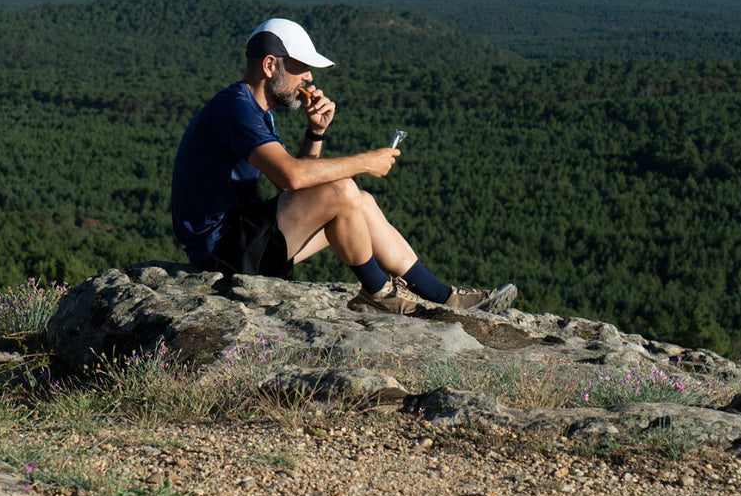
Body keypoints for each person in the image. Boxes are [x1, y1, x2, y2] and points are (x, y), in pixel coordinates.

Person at [170, 17, 516, 315]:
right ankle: (378, 294)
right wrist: (366, 161)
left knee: (359, 201)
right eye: (300, 67)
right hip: (221, 252)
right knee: (343, 189)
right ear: (270, 66)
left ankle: (442, 296)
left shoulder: (254, 109)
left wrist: (315, 132)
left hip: (244, 239)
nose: (307, 77)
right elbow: (291, 176)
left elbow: (295, 190)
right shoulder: (235, 108)